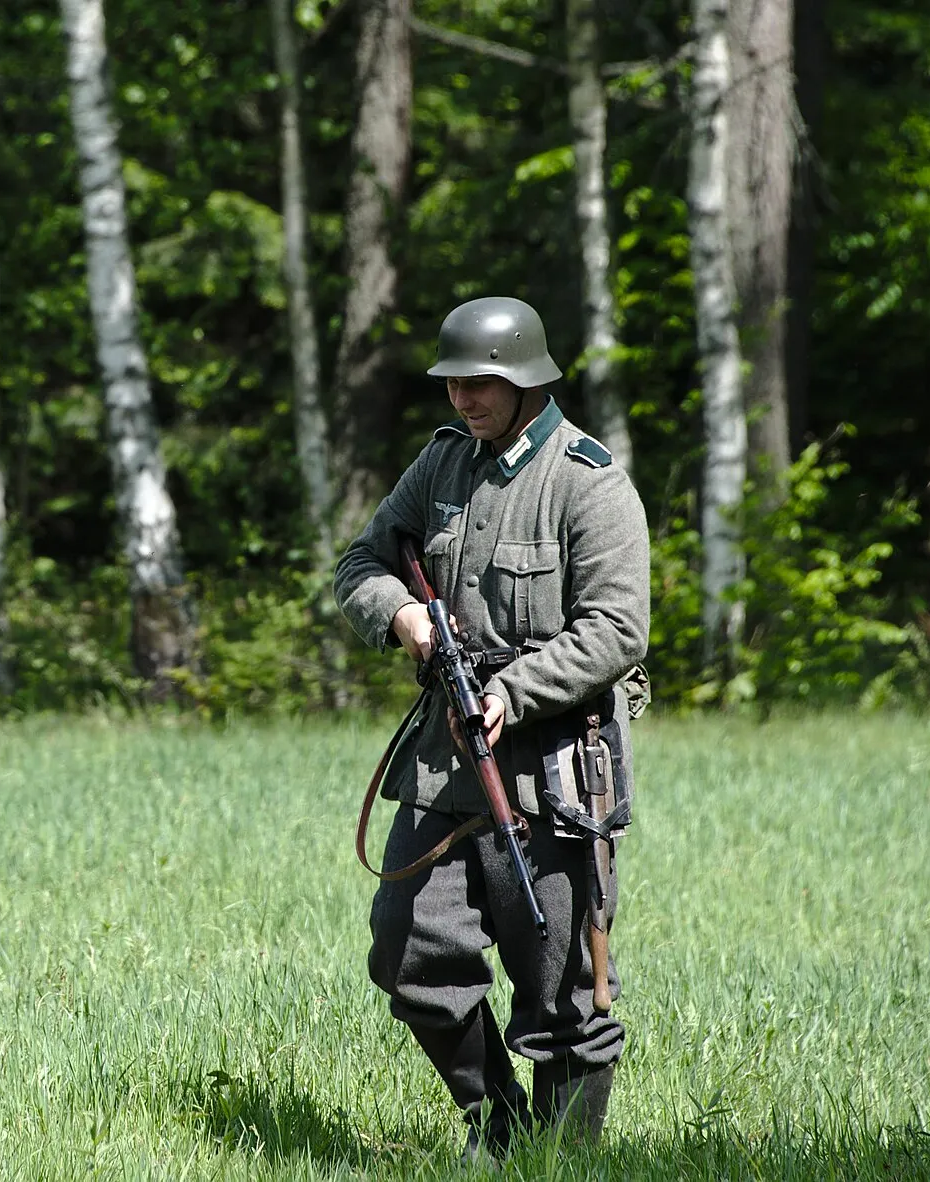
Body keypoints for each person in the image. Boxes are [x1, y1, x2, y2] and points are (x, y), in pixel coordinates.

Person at [334, 296, 650, 1157]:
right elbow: (361, 561)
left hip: (557, 770)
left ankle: (565, 1161)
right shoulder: (439, 467)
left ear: (527, 382)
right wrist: (402, 615)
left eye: (481, 384)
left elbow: (619, 629)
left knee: (563, 987)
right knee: (408, 953)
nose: (463, 400)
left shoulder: (589, 481)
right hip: (448, 764)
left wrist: (521, 686)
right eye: (453, 384)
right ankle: (500, 1125)